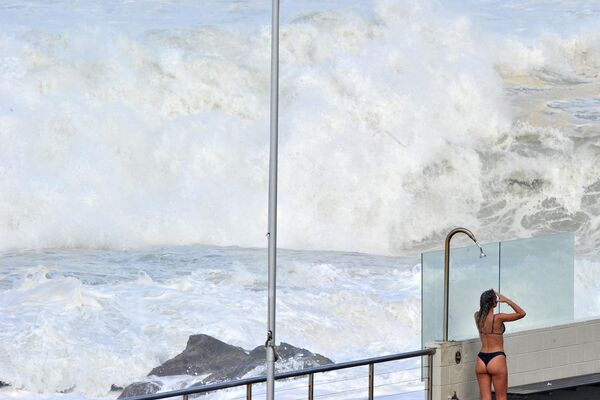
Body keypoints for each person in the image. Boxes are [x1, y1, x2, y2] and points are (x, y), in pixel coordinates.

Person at [474, 289, 526, 400]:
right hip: (496, 358)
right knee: (501, 397)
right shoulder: (498, 318)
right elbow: (522, 313)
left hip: (481, 360)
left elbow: (483, 314)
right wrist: (507, 300)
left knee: (485, 398)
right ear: (494, 302)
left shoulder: (477, 317)